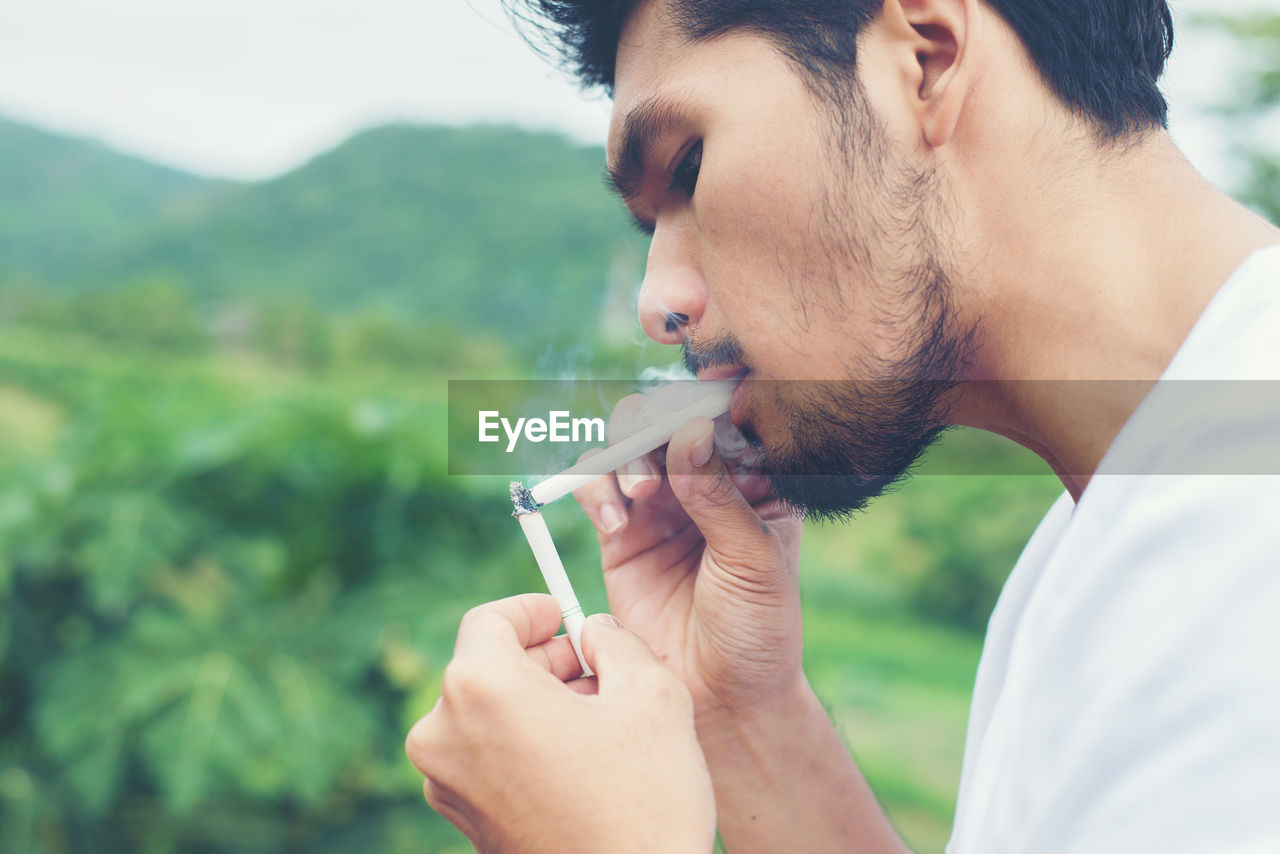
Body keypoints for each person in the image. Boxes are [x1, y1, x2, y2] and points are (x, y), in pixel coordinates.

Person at [405, 0, 1280, 850]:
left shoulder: (1244, 552)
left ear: (924, 59)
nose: (657, 304)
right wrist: (745, 713)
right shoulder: (1112, 532)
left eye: (689, 169)